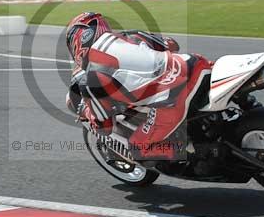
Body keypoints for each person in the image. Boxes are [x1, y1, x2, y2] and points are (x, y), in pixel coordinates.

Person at [65, 12, 213, 163]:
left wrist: (86, 112)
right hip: (194, 63)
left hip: (173, 97)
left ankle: (199, 155)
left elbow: (105, 128)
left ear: (78, 40)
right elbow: (171, 44)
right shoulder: (131, 36)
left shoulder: (90, 78)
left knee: (138, 149)